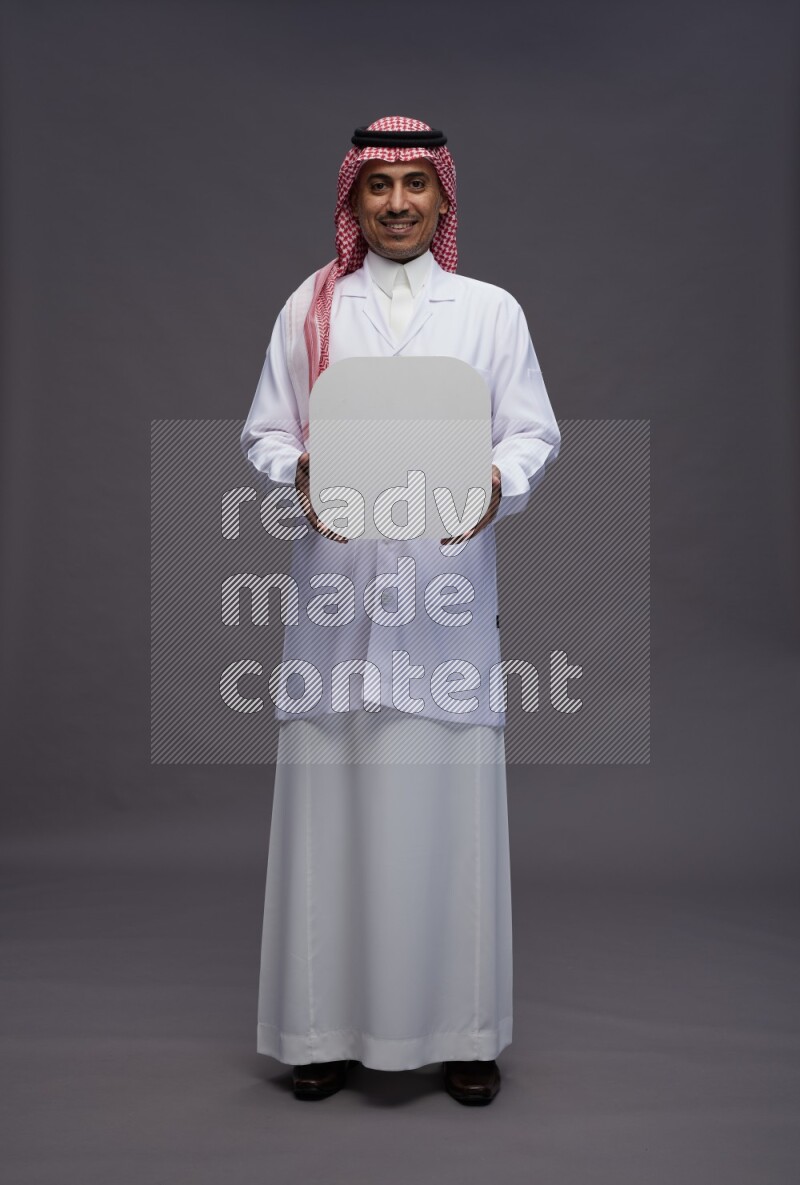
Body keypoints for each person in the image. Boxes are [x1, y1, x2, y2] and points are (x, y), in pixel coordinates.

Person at [240, 115, 561, 1105]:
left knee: (448, 812)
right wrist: (298, 467)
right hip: (337, 599)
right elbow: (262, 431)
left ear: (441, 198)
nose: (394, 205)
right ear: (353, 198)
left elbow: (530, 432)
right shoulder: (310, 309)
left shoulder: (488, 311)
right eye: (377, 188)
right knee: (328, 813)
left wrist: (492, 484)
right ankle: (318, 1031)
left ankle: (462, 1033)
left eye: (414, 186)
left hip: (442, 599)